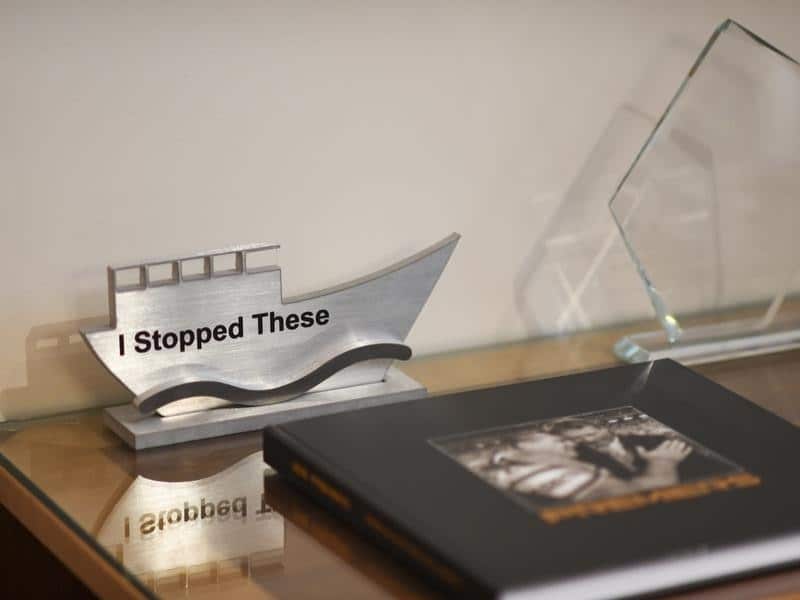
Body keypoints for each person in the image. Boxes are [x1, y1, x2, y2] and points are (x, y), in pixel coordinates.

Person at [474, 429, 692, 506]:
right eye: (555, 440)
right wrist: (664, 461)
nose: (569, 443)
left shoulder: (519, 473)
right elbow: (645, 495)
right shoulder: (539, 475)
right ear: (514, 449)